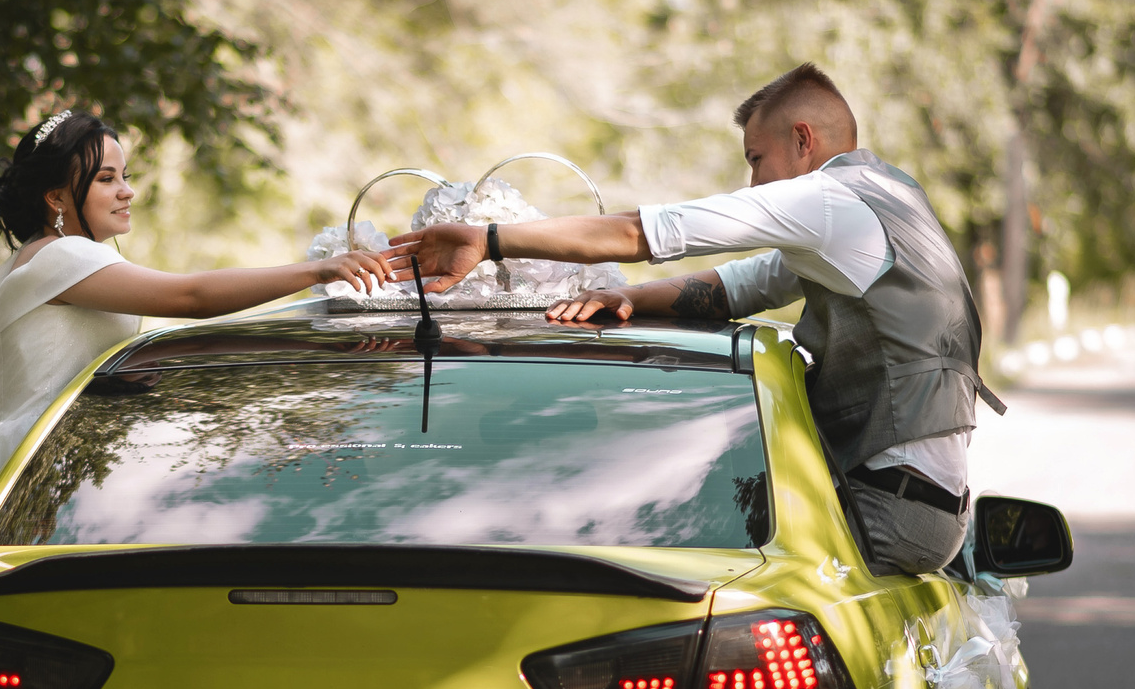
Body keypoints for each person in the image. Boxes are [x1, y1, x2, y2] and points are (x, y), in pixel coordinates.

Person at [0, 110, 391, 682]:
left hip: (58, 459)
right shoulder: (60, 258)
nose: (126, 190)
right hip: (40, 464)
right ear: (56, 198)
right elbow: (189, 298)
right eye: (106, 179)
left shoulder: (66, 259)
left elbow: (169, 338)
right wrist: (319, 273)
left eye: (125, 176)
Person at [389, 63, 1002, 576]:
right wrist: (629, 300)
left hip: (888, 511)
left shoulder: (829, 201)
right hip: (919, 505)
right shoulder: (888, 195)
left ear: (804, 140)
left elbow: (646, 231)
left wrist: (489, 239)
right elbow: (743, 284)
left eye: (756, 158)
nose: (753, 179)